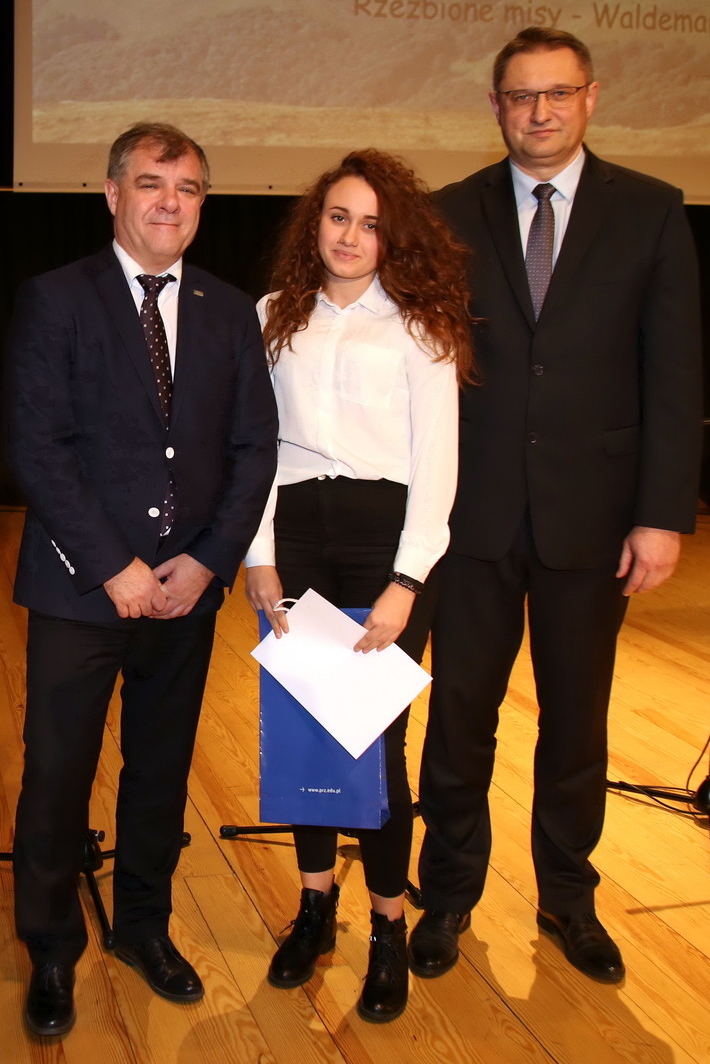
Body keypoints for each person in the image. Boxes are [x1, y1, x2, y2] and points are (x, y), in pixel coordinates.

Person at [410, 27, 703, 985]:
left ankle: (568, 897)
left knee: (576, 722)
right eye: (521, 95)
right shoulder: (447, 213)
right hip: (473, 520)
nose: (540, 111)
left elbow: (674, 372)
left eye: (558, 93)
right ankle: (446, 893)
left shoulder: (652, 211)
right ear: (496, 106)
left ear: (591, 97)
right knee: (460, 716)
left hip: (597, 518)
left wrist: (663, 513)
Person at [6, 122, 277, 1037]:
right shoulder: (56, 298)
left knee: (159, 771)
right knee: (57, 775)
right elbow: (37, 446)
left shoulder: (229, 310)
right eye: (152, 183)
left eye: (188, 188)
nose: (170, 202)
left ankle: (143, 927)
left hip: (186, 591)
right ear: (112, 193)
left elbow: (254, 448)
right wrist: (113, 565)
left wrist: (208, 560)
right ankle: (51, 946)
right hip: (81, 589)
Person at [244, 149, 474, 1022]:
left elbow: (436, 466)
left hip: (387, 544)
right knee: (308, 727)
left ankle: (387, 926)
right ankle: (314, 907)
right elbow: (255, 448)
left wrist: (407, 580)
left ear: (393, 237)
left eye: (371, 223)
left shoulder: (422, 328)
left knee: (376, 740)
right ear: (316, 223)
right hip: (296, 535)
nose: (349, 235)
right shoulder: (272, 315)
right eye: (338, 216)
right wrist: (258, 554)